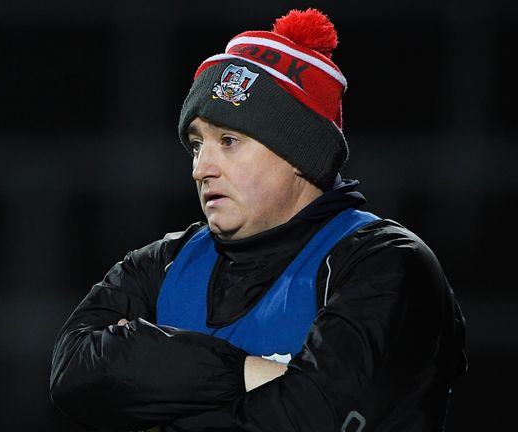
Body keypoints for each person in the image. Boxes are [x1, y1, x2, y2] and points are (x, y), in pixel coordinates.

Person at [49, 8, 467, 432]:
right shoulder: (162, 263)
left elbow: (312, 419)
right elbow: (72, 373)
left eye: (229, 141)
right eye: (196, 145)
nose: (200, 168)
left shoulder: (386, 265)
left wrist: (155, 379)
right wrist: (249, 373)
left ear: (299, 157)